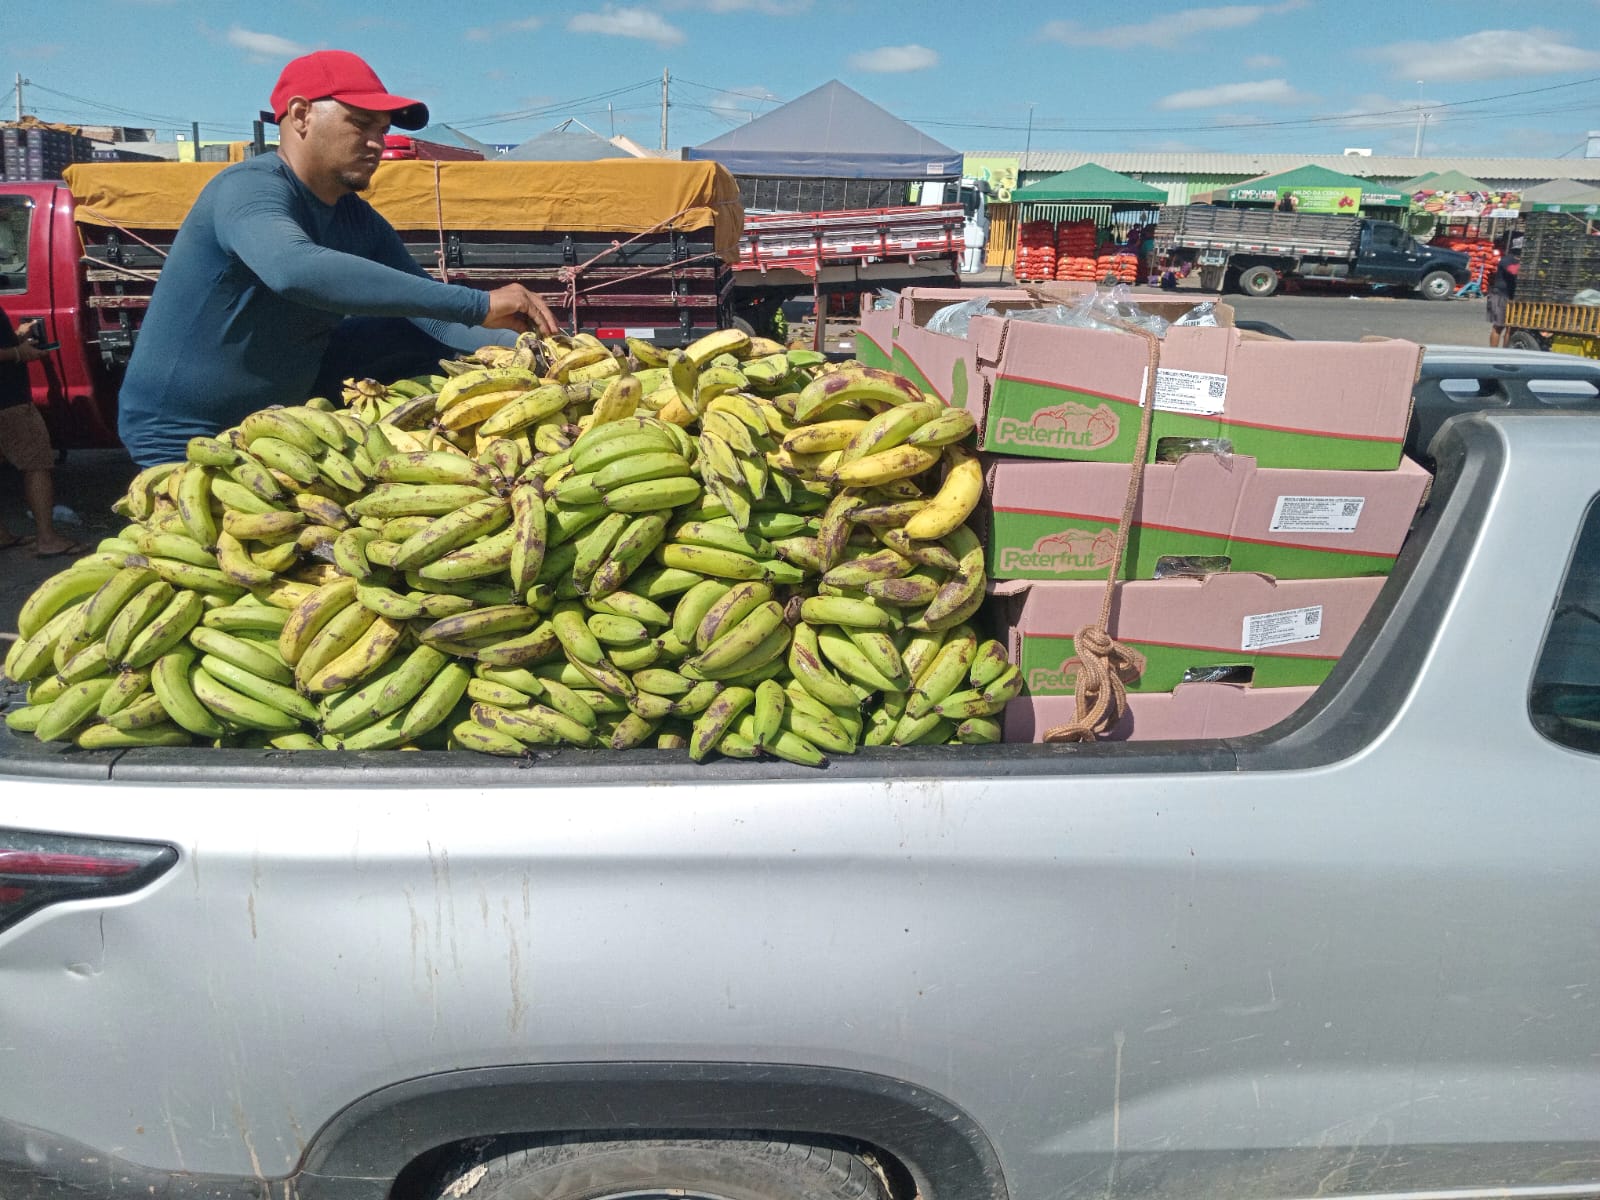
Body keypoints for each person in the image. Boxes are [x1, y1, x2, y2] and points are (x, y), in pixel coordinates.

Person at [116, 50, 558, 467]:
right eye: (360, 124)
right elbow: (294, 269)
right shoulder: (248, 187)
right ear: (301, 115)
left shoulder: (357, 220)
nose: (376, 144)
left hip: (283, 430)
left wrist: (546, 355)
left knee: (398, 327)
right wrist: (478, 303)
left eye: (382, 130)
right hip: (184, 436)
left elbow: (432, 318)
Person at [0, 313, 84, 557]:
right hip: (9, 401)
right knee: (37, 465)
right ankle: (47, 539)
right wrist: (19, 353)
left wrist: (17, 337)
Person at [1486, 233, 1521, 348]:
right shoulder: (1507, 259)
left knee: (1512, 327)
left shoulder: (1520, 261)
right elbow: (1513, 271)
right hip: (1501, 295)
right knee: (1499, 326)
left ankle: (1506, 351)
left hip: (1513, 296)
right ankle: (1493, 351)